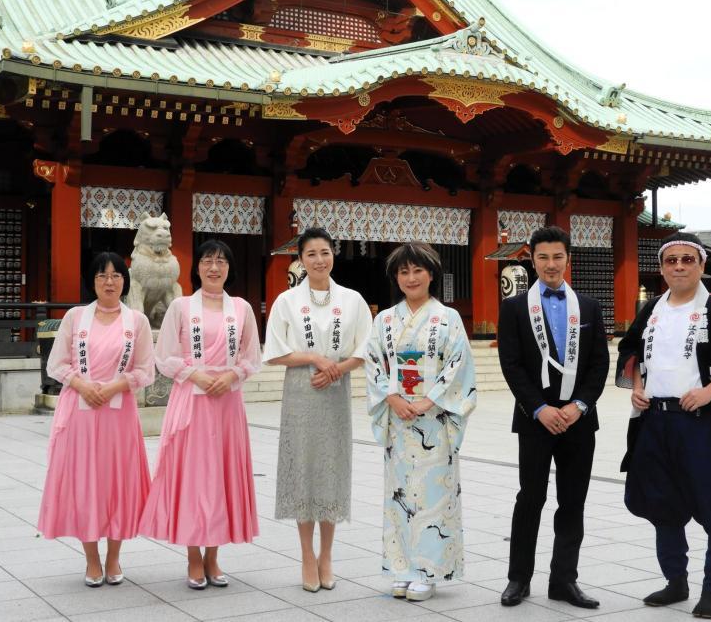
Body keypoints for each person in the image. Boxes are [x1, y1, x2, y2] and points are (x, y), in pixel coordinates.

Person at [616, 232, 711, 619]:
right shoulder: (651, 309)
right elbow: (629, 349)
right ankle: (675, 582)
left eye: (687, 260)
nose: (679, 267)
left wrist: (710, 389)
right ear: (662, 268)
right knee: (663, 504)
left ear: (701, 265)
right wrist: (637, 384)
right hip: (655, 421)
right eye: (671, 261)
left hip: (699, 423)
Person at [497, 226, 609, 609]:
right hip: (535, 418)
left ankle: (564, 580)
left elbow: (599, 365)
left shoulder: (590, 307)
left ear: (568, 258)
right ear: (532, 259)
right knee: (530, 497)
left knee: (573, 501)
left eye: (557, 256)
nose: (550, 264)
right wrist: (540, 408)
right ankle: (518, 579)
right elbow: (511, 364)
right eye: (542, 257)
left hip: (578, 420)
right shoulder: (514, 308)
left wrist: (578, 406)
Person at [139, 240, 262, 590]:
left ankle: (214, 555)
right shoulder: (181, 307)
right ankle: (194, 556)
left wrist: (231, 376)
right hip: (191, 400)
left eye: (221, 262)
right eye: (208, 260)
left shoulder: (241, 309)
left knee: (221, 477)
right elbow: (165, 355)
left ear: (229, 268)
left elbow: (252, 356)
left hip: (227, 403)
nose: (214, 267)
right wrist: (196, 374)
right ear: (197, 267)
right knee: (193, 479)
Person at [365, 242, 477, 602]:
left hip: (434, 420)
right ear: (395, 278)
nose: (410, 278)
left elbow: (459, 364)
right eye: (403, 272)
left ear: (432, 274)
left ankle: (428, 571)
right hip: (398, 421)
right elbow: (373, 363)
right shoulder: (383, 321)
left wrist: (431, 399)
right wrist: (394, 398)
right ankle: (401, 568)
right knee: (398, 497)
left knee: (433, 496)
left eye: (418, 270)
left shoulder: (448, 319)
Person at [263, 227, 372, 592]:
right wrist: (313, 357)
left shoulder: (352, 299)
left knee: (330, 471)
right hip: (301, 391)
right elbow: (275, 351)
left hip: (336, 392)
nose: (319, 260)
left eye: (325, 252)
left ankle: (327, 554)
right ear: (301, 259)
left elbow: (365, 349)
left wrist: (337, 369)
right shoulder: (287, 301)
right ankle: (306, 555)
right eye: (311, 254)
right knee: (303, 470)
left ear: (333, 255)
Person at [38, 252, 154, 587]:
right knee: (86, 482)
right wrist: (82, 385)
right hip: (82, 412)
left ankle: (114, 558)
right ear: (92, 281)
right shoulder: (75, 318)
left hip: (119, 414)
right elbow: (56, 364)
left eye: (116, 275)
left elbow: (146, 370)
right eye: (102, 275)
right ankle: (91, 560)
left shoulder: (138, 322)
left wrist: (117, 384)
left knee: (117, 482)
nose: (109, 281)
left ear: (124, 281)